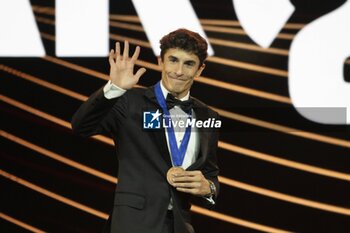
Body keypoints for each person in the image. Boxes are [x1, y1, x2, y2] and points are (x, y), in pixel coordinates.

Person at [71, 28, 220, 233]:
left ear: (200, 69)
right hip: (132, 224)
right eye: (173, 60)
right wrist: (113, 88)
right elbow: (81, 127)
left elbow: (210, 173)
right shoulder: (129, 101)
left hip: (179, 225)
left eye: (188, 64)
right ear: (161, 61)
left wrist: (208, 188)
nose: (178, 70)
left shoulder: (208, 116)